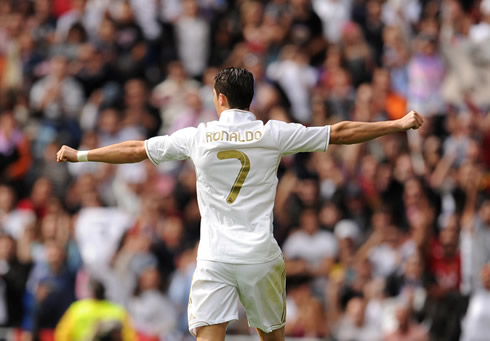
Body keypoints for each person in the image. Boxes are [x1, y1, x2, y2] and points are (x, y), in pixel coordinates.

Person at [56, 67, 424, 341]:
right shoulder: (272, 132)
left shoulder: (199, 136)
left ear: (219, 98)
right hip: (260, 255)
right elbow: (339, 132)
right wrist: (397, 124)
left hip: (215, 256)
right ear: (251, 98)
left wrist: (82, 155)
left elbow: (137, 149)